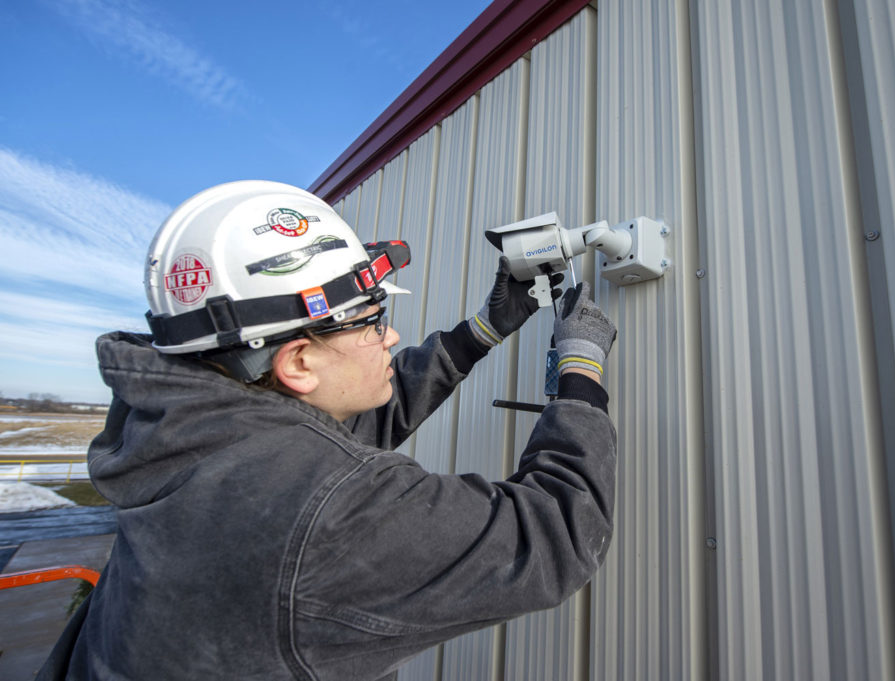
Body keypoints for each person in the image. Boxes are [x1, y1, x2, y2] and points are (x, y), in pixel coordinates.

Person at [37, 180, 617, 681]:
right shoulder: (327, 516)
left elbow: (340, 433)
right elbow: (554, 535)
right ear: (297, 364)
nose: (390, 337)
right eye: (373, 323)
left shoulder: (185, 432)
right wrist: (581, 367)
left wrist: (483, 331)